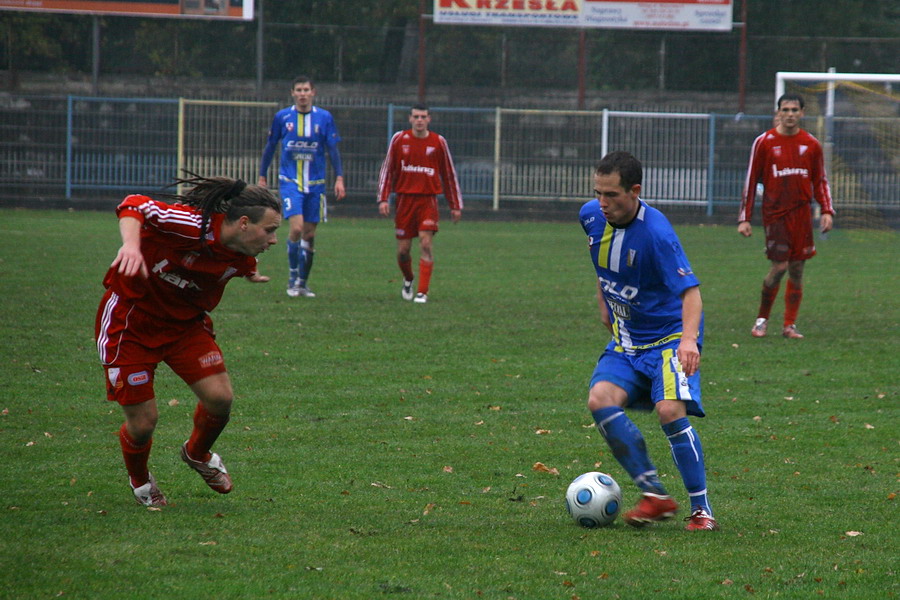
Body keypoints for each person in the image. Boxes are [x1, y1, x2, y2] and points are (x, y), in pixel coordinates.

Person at [95, 173, 281, 507]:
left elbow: (235, 263)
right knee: (143, 423)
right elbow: (133, 204)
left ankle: (196, 453)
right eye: (270, 230)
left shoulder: (239, 253)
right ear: (242, 223)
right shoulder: (191, 225)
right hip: (131, 325)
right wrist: (131, 246)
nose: (274, 239)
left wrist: (250, 273)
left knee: (220, 398)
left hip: (184, 328)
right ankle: (140, 481)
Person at [579, 151, 718, 531]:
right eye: (598, 193)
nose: (602, 203)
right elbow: (600, 261)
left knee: (670, 411)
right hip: (626, 340)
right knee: (600, 400)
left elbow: (692, 294)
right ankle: (654, 495)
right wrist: (604, 302)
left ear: (635, 191)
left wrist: (689, 342)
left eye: (612, 195)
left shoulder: (657, 233)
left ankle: (701, 510)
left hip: (670, 339)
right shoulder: (590, 216)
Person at [738, 93, 835, 339]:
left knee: (797, 269)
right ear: (779, 112)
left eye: (794, 110)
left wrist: (826, 210)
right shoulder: (764, 142)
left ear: (802, 113)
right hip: (775, 214)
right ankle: (762, 319)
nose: (790, 114)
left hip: (801, 214)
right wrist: (745, 217)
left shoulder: (811, 144)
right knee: (779, 266)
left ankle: (789, 325)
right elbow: (751, 180)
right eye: (786, 109)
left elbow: (819, 180)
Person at [258, 75, 345, 298]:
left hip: (315, 185)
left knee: (309, 234)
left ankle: (303, 283)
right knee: (296, 228)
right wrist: (262, 175)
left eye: (306, 89)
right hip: (290, 182)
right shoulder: (283, 117)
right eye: (299, 89)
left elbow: (333, 150)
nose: (303, 93)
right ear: (293, 93)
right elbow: (270, 146)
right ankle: (292, 276)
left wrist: (339, 178)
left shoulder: (324, 118)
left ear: (313, 92)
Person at [376, 103, 462, 303]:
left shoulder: (438, 142)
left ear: (429, 119)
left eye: (423, 116)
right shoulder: (399, 139)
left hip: (427, 201)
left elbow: (448, 174)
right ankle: (408, 279)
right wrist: (383, 198)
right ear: (410, 119)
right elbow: (387, 170)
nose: (420, 120)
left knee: (425, 242)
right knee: (403, 250)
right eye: (416, 116)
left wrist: (455, 204)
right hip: (404, 201)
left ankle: (423, 291)